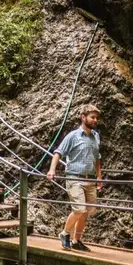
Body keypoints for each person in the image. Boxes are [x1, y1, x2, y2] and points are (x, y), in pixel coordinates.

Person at [47, 104, 102, 251]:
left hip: (90, 179)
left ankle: (76, 240)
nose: (95, 120)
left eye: (96, 118)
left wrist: (99, 177)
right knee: (79, 209)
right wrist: (52, 170)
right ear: (83, 117)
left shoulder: (96, 136)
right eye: (92, 117)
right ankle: (65, 234)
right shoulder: (73, 136)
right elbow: (58, 153)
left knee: (86, 212)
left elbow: (97, 158)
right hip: (74, 178)